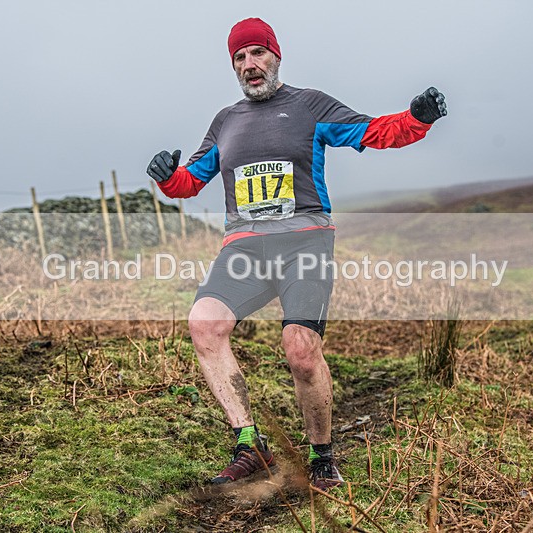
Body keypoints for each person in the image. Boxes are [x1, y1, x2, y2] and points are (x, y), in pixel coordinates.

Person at [146, 17, 446, 490]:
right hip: (243, 248)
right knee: (204, 323)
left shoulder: (309, 105)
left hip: (304, 244)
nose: (250, 65)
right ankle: (250, 443)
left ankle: (321, 455)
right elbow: (189, 181)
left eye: (258, 53)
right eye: (240, 58)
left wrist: (417, 119)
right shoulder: (225, 122)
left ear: (276, 56)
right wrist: (166, 176)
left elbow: (373, 132)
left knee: (301, 352)